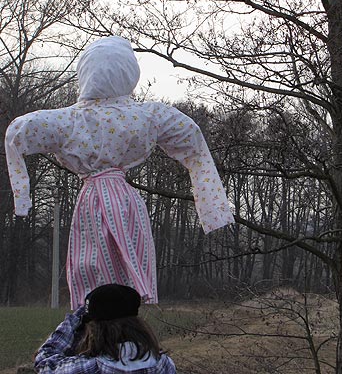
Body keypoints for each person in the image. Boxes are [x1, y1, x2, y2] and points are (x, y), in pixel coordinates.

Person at [5, 36, 234, 308]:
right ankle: (123, 309)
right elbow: (194, 141)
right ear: (130, 73)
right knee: (128, 258)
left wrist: (22, 198)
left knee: (91, 263)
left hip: (91, 201)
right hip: (127, 203)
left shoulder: (66, 120)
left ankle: (97, 313)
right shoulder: (148, 115)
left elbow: (16, 133)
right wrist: (213, 210)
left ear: (85, 73)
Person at [35, 283, 176, 373]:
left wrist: (73, 321)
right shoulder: (163, 365)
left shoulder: (86, 368)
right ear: (137, 325)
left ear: (96, 330)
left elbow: (44, 362)